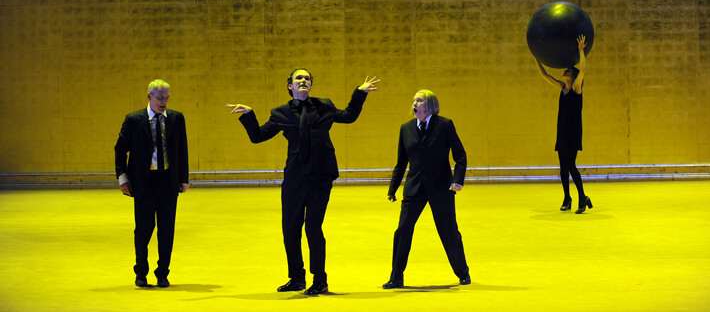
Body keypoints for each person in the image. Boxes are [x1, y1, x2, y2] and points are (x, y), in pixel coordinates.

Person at [227, 69, 379, 296]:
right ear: (290, 86)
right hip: (295, 177)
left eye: (307, 78)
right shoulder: (280, 113)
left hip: (320, 176)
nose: (303, 81)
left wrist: (359, 93)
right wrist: (249, 115)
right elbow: (258, 136)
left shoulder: (324, 106)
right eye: (299, 78)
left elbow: (348, 116)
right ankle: (297, 278)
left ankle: (320, 280)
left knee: (313, 228)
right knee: (290, 228)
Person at [383, 89, 470, 289]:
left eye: (419, 100)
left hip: (441, 187)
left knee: (448, 231)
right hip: (414, 188)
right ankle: (396, 277)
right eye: (413, 99)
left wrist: (457, 180)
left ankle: (462, 272)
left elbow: (460, 155)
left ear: (429, 105)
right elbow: (401, 162)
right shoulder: (406, 128)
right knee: (403, 230)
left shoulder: (445, 125)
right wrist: (393, 188)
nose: (414, 103)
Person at [114, 79, 190, 288]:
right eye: (160, 98)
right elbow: (120, 149)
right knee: (143, 230)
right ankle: (141, 272)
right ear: (149, 96)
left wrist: (183, 178)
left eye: (166, 97)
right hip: (144, 183)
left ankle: (163, 273)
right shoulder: (133, 120)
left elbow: (182, 149)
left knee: (167, 231)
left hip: (167, 181)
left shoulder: (176, 118)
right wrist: (123, 178)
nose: (164, 101)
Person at [534, 34, 593, 214]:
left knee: (571, 165)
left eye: (568, 71)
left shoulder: (576, 88)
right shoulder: (562, 87)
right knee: (562, 167)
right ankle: (567, 198)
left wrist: (581, 51)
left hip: (573, 132)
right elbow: (544, 75)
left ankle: (582, 197)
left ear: (572, 76)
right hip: (562, 131)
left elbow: (582, 71)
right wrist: (537, 56)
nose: (565, 71)